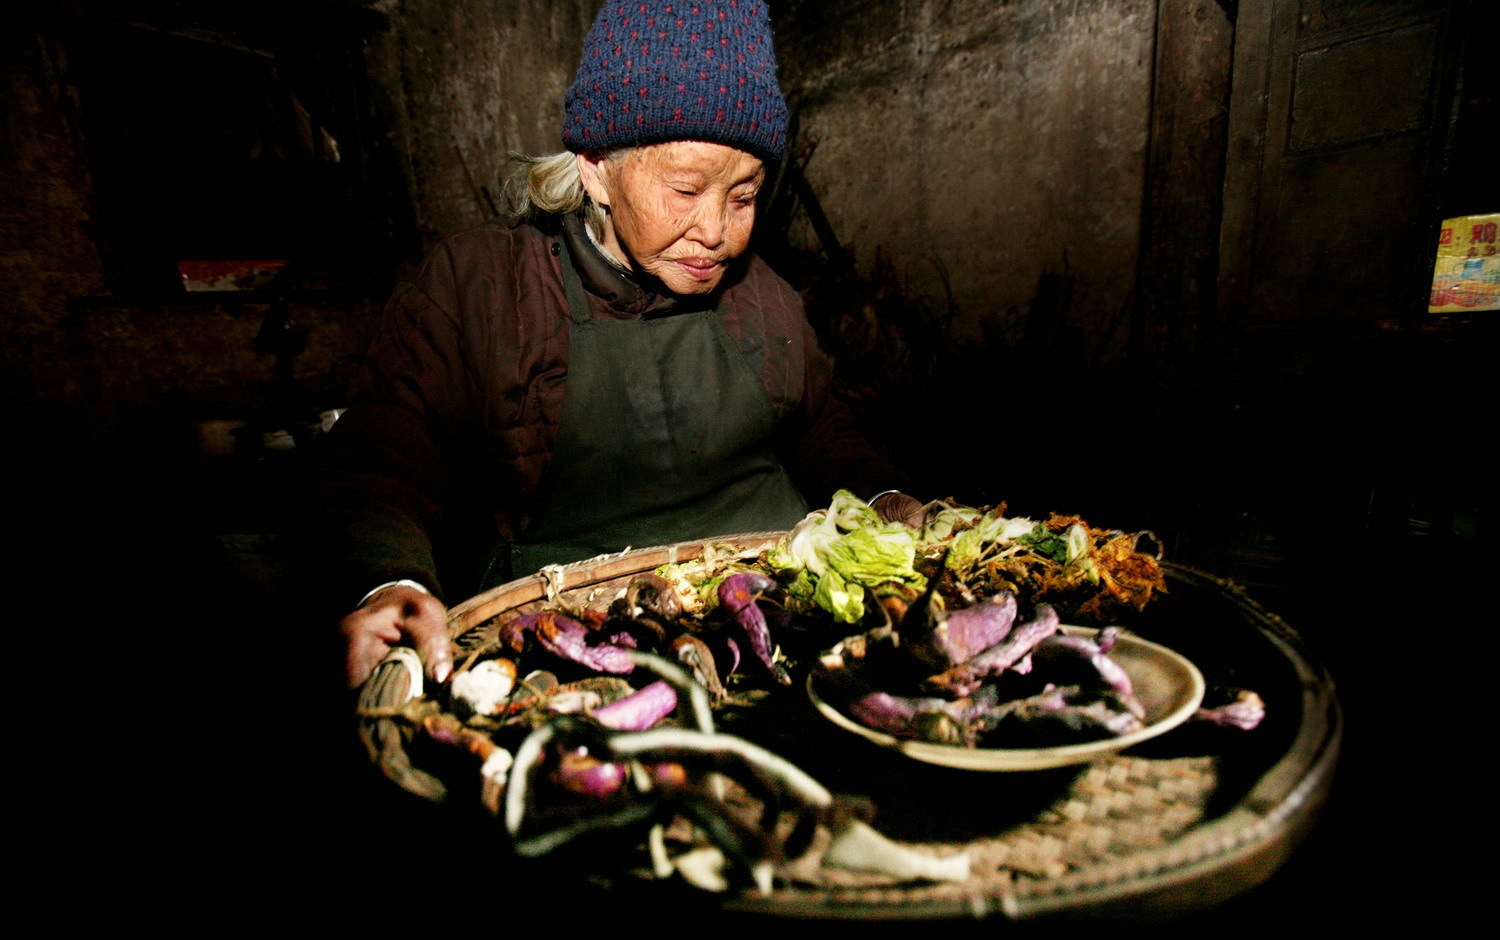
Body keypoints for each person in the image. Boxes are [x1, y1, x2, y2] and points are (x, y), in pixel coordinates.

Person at [315, 0, 924, 692]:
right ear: (598, 169)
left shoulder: (764, 297)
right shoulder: (486, 286)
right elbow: (386, 450)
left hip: (784, 628)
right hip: (572, 653)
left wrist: (884, 496)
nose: (717, 231)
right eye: (686, 188)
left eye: (745, 196)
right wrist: (387, 577)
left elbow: (820, 431)